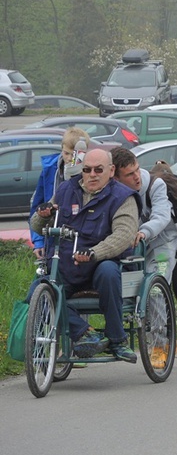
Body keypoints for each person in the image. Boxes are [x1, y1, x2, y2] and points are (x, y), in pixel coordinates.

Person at [29, 149, 141, 363]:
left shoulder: (123, 197)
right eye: (87, 170)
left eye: (98, 170)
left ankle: (118, 340)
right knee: (38, 289)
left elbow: (123, 236)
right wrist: (43, 215)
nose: (92, 174)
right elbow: (37, 224)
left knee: (108, 271)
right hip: (67, 265)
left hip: (102, 265)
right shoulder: (65, 190)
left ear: (111, 170)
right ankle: (86, 332)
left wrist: (94, 253)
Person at [111, 148, 177, 283]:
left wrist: (144, 232)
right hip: (136, 248)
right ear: (116, 178)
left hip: (163, 244)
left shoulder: (155, 185)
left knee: (156, 288)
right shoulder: (112, 191)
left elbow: (161, 216)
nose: (137, 176)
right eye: (130, 174)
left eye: (137, 169)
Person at [29, 127, 91, 258]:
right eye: (66, 153)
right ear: (61, 149)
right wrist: (39, 242)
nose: (70, 159)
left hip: (79, 238)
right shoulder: (50, 170)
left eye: (75, 155)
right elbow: (36, 206)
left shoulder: (90, 173)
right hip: (52, 237)